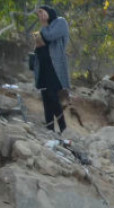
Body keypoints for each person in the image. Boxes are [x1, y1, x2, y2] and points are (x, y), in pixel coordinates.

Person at [32, 5, 70, 134]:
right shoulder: (44, 28)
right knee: (46, 97)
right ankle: (49, 128)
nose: (41, 16)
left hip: (55, 67)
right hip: (43, 66)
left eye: (42, 12)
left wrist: (42, 27)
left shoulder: (60, 22)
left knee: (52, 95)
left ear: (48, 12)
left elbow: (50, 36)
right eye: (39, 14)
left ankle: (63, 127)